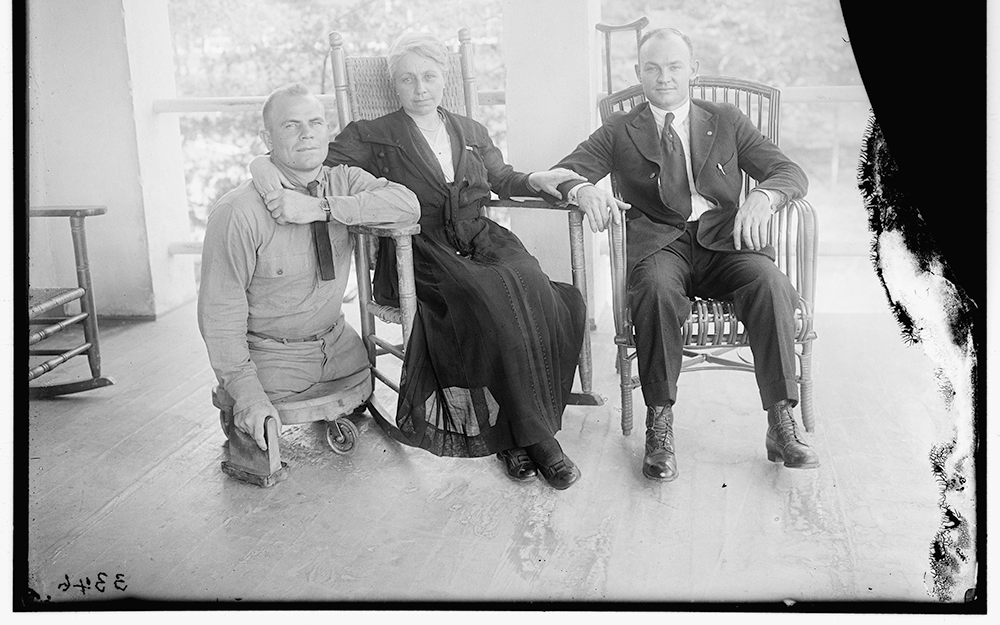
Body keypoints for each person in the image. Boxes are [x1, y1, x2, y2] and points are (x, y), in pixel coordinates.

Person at [250, 34, 589, 490]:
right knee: (488, 302)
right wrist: (261, 165)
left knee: (536, 290)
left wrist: (537, 178)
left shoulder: (470, 131)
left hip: (480, 237)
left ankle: (510, 433)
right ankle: (539, 440)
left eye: (429, 76)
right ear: (395, 85)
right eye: (408, 79)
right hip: (419, 247)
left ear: (444, 79)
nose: (420, 88)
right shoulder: (373, 134)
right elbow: (311, 161)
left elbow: (501, 178)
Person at [552, 27, 820, 481]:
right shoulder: (620, 129)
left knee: (770, 281)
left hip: (723, 242)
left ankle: (780, 420)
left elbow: (787, 171)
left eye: (675, 67)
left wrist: (766, 197)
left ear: (692, 71)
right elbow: (566, 170)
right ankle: (660, 426)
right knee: (654, 290)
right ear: (638, 74)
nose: (664, 77)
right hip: (660, 245)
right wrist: (580, 189)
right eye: (652, 68)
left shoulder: (727, 119)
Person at [198, 83, 421, 452]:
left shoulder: (342, 181)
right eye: (291, 126)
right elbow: (219, 315)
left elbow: (407, 205)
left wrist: (323, 209)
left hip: (340, 350)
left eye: (315, 122)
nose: (306, 134)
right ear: (265, 137)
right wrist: (248, 395)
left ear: (327, 131)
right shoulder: (238, 212)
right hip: (274, 362)